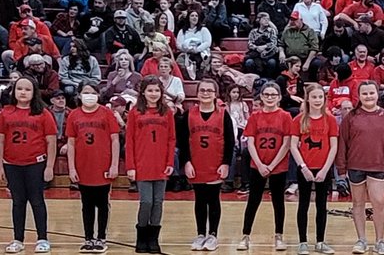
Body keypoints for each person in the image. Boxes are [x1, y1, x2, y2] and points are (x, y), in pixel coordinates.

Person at [0, 75, 58, 254]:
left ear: (34, 92)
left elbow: (51, 141)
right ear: (14, 91)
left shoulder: (43, 113)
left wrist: (49, 166)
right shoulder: (6, 112)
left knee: (37, 201)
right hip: (12, 164)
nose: (23, 92)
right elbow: (1, 140)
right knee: (18, 202)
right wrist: (0, 165)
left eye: (27, 89)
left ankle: (42, 238)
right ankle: (18, 239)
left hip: (35, 164)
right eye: (20, 89)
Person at [337, 81, 384, 255]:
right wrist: (341, 168)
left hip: (378, 166)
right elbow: (343, 142)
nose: (368, 96)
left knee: (378, 203)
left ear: (377, 94)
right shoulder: (351, 117)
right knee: (358, 203)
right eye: (365, 94)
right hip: (355, 166)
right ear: (359, 96)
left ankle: (380, 241)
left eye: (371, 93)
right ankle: (361, 240)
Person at [175, 79, 235, 252]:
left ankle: (213, 235)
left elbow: (230, 142)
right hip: (196, 163)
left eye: (210, 90)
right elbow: (183, 141)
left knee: (213, 199)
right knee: (200, 200)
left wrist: (225, 164)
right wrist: (186, 162)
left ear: (215, 94)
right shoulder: (188, 114)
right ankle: (201, 234)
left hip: (215, 163)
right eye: (202, 90)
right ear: (197, 93)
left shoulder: (224, 114)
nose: (206, 93)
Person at [64, 81, 120, 253]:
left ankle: (101, 238)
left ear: (98, 94)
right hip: (83, 167)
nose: (89, 95)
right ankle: (88, 238)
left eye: (92, 92)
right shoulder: (74, 115)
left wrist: (114, 165)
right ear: (79, 95)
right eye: (85, 92)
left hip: (102, 166)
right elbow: (71, 143)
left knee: (103, 204)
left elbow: (115, 140)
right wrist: (72, 168)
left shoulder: (106, 113)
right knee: (86, 204)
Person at [238, 83, 294, 251]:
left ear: (278, 97)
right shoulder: (255, 117)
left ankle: (279, 236)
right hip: (258, 165)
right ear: (261, 97)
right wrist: (261, 164)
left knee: (278, 202)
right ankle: (245, 236)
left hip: (278, 166)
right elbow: (250, 142)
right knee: (253, 201)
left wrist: (272, 165)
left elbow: (286, 144)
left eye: (273, 94)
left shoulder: (285, 116)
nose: (270, 97)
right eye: (266, 94)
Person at [125, 76, 176, 253]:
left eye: (156, 90)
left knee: (158, 202)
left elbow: (171, 139)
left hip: (161, 164)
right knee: (146, 202)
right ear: (143, 92)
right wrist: (130, 166)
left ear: (161, 92)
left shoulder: (167, 112)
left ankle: (153, 238)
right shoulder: (134, 112)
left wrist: (170, 162)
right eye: (150, 90)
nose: (153, 94)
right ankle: (142, 235)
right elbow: (129, 140)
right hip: (142, 163)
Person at [289, 84, 339, 254]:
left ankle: (320, 241)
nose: (317, 100)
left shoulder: (330, 119)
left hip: (323, 168)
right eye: (314, 97)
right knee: (303, 204)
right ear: (308, 99)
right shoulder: (299, 120)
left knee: (321, 205)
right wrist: (303, 167)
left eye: (320, 97)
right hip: (305, 169)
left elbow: (333, 146)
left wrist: (325, 169)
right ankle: (303, 242)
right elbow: (293, 146)